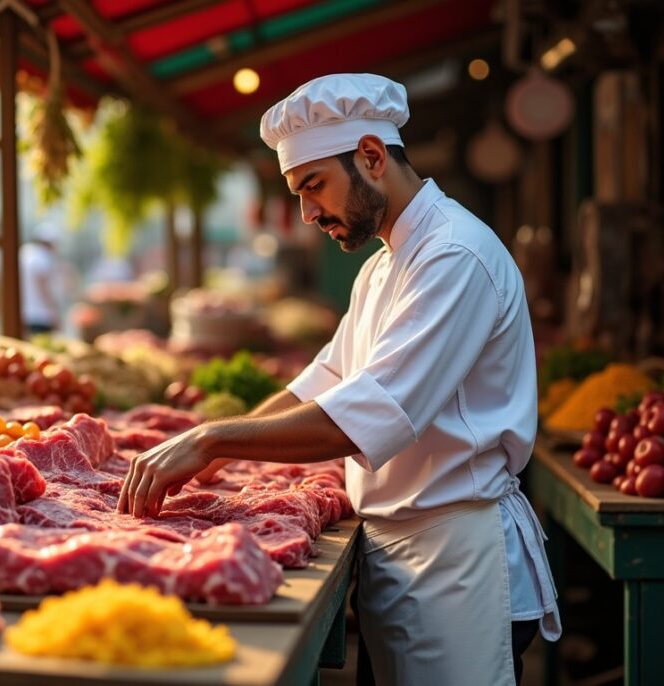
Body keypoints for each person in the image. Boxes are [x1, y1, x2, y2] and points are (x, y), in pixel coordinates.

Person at [117, 74, 559, 686]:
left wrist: (213, 440)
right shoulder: (385, 266)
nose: (307, 213)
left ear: (372, 157)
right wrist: (216, 453)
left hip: (456, 564)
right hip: (403, 556)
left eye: (313, 186)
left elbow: (370, 413)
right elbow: (319, 385)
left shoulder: (454, 254)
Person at [19, 222, 61, 335]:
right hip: (41, 316)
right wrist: (53, 313)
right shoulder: (42, 257)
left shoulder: (25, 253)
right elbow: (43, 287)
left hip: (23, 314)